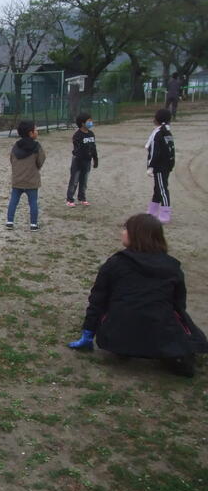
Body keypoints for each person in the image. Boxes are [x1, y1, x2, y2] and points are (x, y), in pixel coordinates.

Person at [67, 214, 207, 377]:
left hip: (117, 335)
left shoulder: (115, 263)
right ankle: (170, 351)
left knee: (124, 314)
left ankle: (128, 345)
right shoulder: (171, 266)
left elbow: (98, 300)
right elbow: (178, 303)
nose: (122, 232)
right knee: (180, 325)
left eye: (126, 229)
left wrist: (88, 333)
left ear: (136, 235)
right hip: (160, 332)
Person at [6, 120, 46, 231]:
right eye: (36, 130)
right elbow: (41, 160)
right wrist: (36, 168)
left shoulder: (16, 146)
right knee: (33, 202)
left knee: (13, 201)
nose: (37, 131)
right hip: (31, 180)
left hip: (17, 180)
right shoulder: (37, 146)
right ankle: (33, 224)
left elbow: (12, 159)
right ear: (30, 133)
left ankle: (9, 222)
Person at [145, 108, 175, 224]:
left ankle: (165, 214)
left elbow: (154, 151)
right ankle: (152, 211)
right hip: (166, 166)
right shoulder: (167, 132)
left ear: (157, 119)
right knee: (158, 189)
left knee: (162, 189)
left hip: (160, 166)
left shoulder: (158, 134)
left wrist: (150, 166)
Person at [65, 113, 98, 207]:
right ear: (83, 123)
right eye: (89, 121)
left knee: (84, 181)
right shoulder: (77, 135)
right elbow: (77, 150)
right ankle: (70, 199)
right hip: (78, 161)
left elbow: (93, 148)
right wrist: (80, 159)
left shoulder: (91, 134)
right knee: (74, 181)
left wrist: (95, 159)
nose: (91, 122)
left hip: (87, 161)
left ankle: (82, 198)